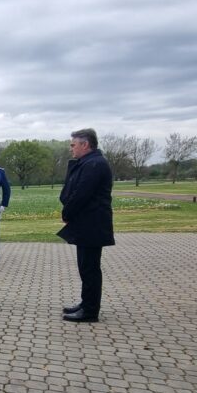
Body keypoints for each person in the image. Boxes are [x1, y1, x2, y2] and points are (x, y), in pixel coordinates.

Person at [57, 128, 114, 323]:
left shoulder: (95, 165)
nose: (71, 148)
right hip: (87, 223)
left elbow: (81, 194)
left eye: (73, 144)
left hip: (92, 223)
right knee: (85, 266)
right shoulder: (89, 163)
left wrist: (67, 213)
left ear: (85, 144)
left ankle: (90, 311)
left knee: (89, 268)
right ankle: (86, 303)